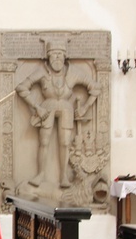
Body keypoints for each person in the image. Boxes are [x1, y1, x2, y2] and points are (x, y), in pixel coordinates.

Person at [15, 39, 100, 188]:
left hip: (66, 108)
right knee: (44, 142)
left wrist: (85, 107)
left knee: (65, 143)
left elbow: (95, 88)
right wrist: (36, 107)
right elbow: (22, 87)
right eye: (53, 55)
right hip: (47, 107)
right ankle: (40, 174)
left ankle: (63, 177)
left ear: (65, 57)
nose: (57, 58)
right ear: (48, 57)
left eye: (60, 55)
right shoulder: (42, 71)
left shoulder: (73, 72)